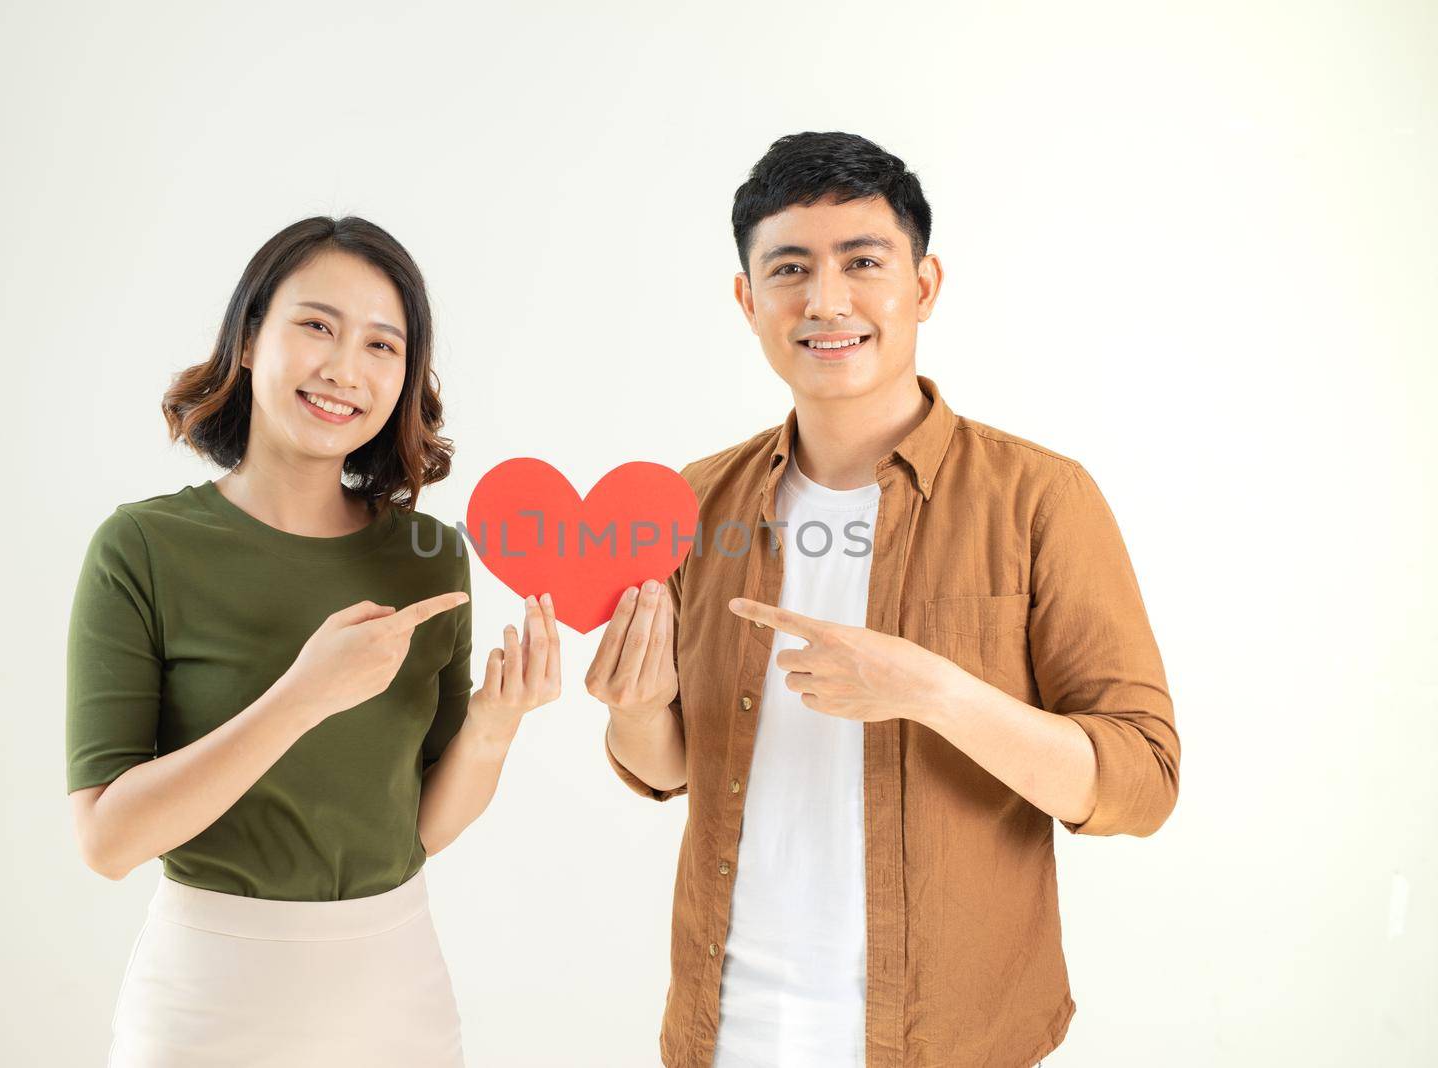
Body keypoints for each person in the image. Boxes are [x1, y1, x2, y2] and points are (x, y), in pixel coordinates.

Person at [585, 132, 1179, 1068]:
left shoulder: (1040, 498)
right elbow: (666, 770)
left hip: (948, 1040)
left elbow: (1142, 782)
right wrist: (634, 710)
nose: (827, 302)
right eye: (789, 269)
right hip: (724, 1032)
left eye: (863, 262)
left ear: (924, 286)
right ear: (748, 301)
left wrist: (936, 693)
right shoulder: (691, 504)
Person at [65, 215, 560, 1067]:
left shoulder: (427, 554)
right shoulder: (142, 548)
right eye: (317, 326)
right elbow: (109, 841)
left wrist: (496, 724)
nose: (344, 369)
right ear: (250, 338)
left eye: (382, 345)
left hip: (398, 993)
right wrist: (303, 697)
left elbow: (422, 829)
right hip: (206, 1003)